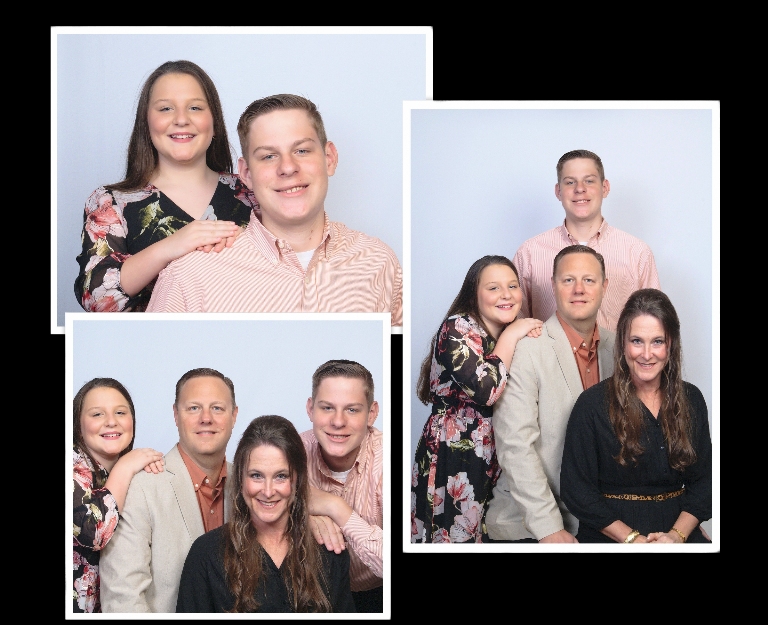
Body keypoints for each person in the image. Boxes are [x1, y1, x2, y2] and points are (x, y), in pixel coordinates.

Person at [145, 94, 403, 326]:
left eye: (302, 150)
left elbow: (395, 360)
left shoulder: (379, 262)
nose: (288, 167)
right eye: (269, 156)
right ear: (246, 173)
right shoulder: (188, 278)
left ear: (329, 159)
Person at [74, 60, 253, 312]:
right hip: (152, 338)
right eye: (166, 108)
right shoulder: (109, 202)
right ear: (146, 123)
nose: (181, 119)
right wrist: (171, 246)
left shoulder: (251, 192)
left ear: (214, 121)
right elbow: (97, 299)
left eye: (195, 107)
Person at [559, 288, 712, 544]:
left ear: (671, 344)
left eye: (658, 341)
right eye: (637, 341)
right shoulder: (591, 405)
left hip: (678, 532)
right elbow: (577, 491)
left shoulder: (692, 399)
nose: (647, 354)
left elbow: (705, 482)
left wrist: (676, 536)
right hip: (610, 535)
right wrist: (633, 540)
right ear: (622, 343)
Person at [485, 245, 615, 543]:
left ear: (604, 287)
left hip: (602, 520)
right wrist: (549, 528)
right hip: (530, 523)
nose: (579, 289)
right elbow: (515, 446)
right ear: (553, 285)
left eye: (589, 280)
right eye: (568, 280)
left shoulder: (621, 347)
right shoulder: (526, 349)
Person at [411, 255, 543, 543]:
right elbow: (486, 391)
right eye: (494, 288)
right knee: (454, 537)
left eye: (513, 286)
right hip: (455, 450)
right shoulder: (457, 327)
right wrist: (514, 334)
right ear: (474, 294)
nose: (506, 294)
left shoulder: (510, 329)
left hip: (498, 448)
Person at [176, 415, 356, 613]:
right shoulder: (206, 555)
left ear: (297, 480)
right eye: (256, 476)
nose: (268, 491)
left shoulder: (329, 551)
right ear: (240, 479)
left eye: (281, 476)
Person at [99, 367, 240, 612]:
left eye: (217, 408)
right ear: (175, 414)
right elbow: (122, 599)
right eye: (193, 408)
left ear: (234, 415)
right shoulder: (141, 488)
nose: (206, 418)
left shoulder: (251, 485)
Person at [512, 149, 660, 331]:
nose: (580, 189)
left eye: (589, 181)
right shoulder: (529, 254)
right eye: (570, 182)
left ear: (605, 187)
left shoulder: (637, 253)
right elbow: (515, 325)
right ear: (558, 191)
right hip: (548, 351)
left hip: (615, 351)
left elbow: (655, 324)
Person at [73, 377, 164, 613]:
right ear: (77, 424)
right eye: (97, 414)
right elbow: (93, 532)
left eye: (120, 412)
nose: (111, 421)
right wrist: (126, 466)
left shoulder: (121, 470)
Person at [300, 360, 383, 612]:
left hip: (378, 594)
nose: (338, 421)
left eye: (352, 410)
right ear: (311, 409)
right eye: (327, 408)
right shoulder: (292, 454)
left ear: (371, 413)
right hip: (311, 596)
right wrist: (301, 514)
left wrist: (335, 507)